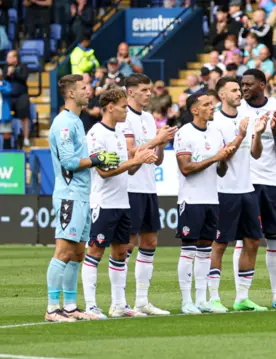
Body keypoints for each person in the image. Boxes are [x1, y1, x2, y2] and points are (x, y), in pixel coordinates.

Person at [45, 75, 119, 322]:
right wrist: (97, 159)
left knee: (78, 253)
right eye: (84, 88)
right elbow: (67, 162)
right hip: (69, 195)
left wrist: (96, 158)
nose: (89, 92)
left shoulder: (76, 121)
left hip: (82, 194)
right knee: (64, 251)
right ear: (70, 94)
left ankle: (70, 306)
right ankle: (52, 308)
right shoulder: (64, 123)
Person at [82, 88, 157, 319]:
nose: (126, 111)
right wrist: (135, 160)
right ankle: (91, 305)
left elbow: (129, 171)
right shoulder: (96, 134)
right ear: (110, 107)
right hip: (103, 203)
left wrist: (140, 160)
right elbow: (105, 173)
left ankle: (119, 305)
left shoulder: (118, 133)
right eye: (124, 106)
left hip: (123, 202)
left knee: (120, 253)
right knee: (95, 251)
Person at [237, 69, 276, 309]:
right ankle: (241, 296)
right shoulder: (238, 110)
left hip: (271, 182)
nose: (244, 89)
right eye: (242, 85)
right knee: (244, 239)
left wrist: (274, 129)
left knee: (275, 238)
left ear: (262, 85)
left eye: (249, 85)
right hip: (243, 182)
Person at [209, 77, 269, 312]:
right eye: (234, 90)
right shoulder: (215, 122)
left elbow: (255, 154)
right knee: (220, 243)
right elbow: (220, 162)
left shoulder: (248, 117)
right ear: (222, 95)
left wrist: (258, 135)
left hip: (247, 189)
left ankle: (242, 297)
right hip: (224, 191)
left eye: (239, 89)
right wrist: (241, 135)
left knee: (252, 241)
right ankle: (213, 297)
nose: (239, 93)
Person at [174, 92, 235, 314]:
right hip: (191, 200)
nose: (212, 108)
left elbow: (221, 170)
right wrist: (215, 158)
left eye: (212, 104)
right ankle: (186, 301)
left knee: (204, 252)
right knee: (189, 251)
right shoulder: (184, 133)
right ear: (195, 110)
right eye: (207, 105)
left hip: (212, 198)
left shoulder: (217, 133)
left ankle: (201, 300)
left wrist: (224, 159)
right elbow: (186, 168)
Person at [121, 74, 177, 316]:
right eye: (144, 90)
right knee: (126, 245)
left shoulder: (148, 118)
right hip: (130, 187)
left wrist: (162, 145)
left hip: (148, 187)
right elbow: (130, 153)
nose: (149, 93)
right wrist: (157, 138)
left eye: (149, 89)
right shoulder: (124, 117)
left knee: (150, 241)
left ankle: (142, 301)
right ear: (130, 92)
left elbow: (157, 160)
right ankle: (119, 301)